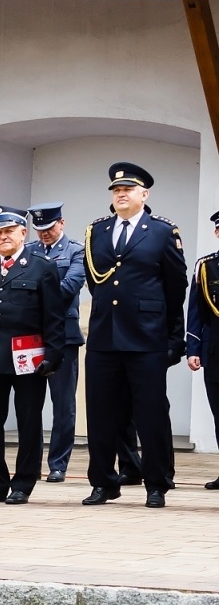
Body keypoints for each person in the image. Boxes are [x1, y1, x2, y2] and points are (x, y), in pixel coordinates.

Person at [81, 162, 188, 508]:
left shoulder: (161, 232)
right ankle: (103, 482)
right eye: (116, 190)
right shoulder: (97, 231)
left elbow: (175, 287)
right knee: (101, 415)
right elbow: (95, 281)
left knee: (150, 414)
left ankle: (156, 483)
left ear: (145, 194)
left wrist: (174, 337)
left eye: (128, 189)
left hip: (146, 338)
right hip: (104, 337)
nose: (121, 194)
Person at [0, 207, 69, 505]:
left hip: (28, 360)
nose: (3, 237)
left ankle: (23, 483)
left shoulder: (41, 267)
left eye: (9, 231)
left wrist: (53, 355)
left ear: (23, 233)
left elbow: (54, 317)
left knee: (28, 423)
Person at [24, 202, 88, 482]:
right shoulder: (29, 251)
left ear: (61, 223)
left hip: (63, 336)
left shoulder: (76, 251)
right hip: (31, 335)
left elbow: (69, 287)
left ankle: (58, 463)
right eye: (39, 229)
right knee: (29, 403)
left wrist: (31, 296)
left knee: (63, 404)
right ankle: (30, 462)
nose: (44, 234)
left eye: (49, 228)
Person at [186, 210, 219, 489]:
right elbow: (196, 312)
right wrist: (193, 348)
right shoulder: (206, 267)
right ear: (217, 233)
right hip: (215, 350)